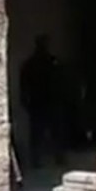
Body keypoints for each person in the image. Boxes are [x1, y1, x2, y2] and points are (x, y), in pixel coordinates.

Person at [20, 34, 63, 167]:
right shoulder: (35, 64)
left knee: (52, 132)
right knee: (40, 133)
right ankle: (39, 160)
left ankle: (55, 158)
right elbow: (24, 84)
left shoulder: (49, 62)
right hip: (39, 101)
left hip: (47, 101)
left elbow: (60, 81)